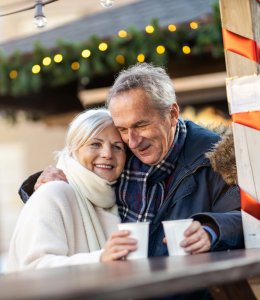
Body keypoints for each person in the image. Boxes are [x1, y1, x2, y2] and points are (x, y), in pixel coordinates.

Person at [18, 63, 244, 299]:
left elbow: (250, 220)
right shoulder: (120, 155)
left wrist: (212, 229)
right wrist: (39, 186)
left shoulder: (219, 159)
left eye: (140, 125)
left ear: (172, 114)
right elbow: (82, 177)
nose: (132, 141)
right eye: (122, 129)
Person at [7, 108, 138, 272]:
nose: (107, 154)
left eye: (117, 147)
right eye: (95, 144)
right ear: (73, 149)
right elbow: (34, 269)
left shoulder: (120, 200)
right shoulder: (52, 193)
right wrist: (100, 259)